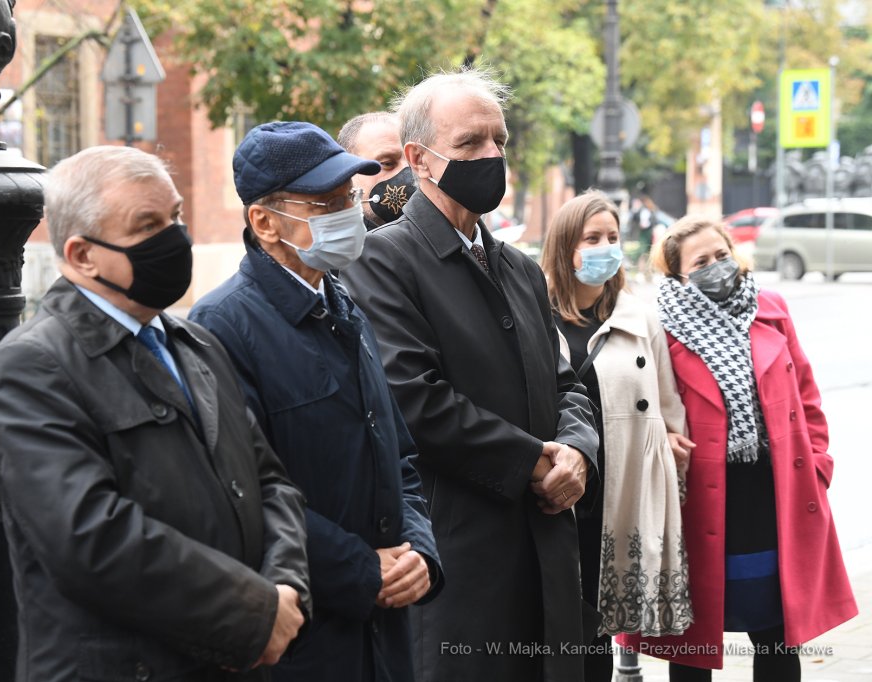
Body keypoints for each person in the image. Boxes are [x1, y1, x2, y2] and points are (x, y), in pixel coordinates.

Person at [0, 146, 311, 681]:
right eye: (148, 225)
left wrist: (284, 593)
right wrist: (250, 612)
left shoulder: (195, 344)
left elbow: (271, 483)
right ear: (83, 255)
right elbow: (90, 539)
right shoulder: (34, 365)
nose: (174, 238)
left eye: (175, 216)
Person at [340, 66, 599, 681]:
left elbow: (567, 385)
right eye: (468, 144)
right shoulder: (380, 261)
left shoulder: (520, 269)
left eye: (499, 141)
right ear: (418, 159)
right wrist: (539, 463)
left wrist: (580, 454)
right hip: (467, 565)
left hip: (550, 559)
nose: (490, 155)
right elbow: (416, 402)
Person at [190, 121, 442, 682]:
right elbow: (241, 494)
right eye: (325, 204)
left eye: (347, 198)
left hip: (385, 632)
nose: (348, 214)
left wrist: (419, 552)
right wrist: (360, 571)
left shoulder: (343, 302)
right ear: (265, 222)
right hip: (304, 641)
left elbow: (398, 454)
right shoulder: (221, 326)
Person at [619, 215, 858, 681]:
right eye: (701, 261)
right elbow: (641, 407)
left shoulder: (771, 307)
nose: (717, 267)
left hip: (773, 498)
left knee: (777, 633)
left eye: (722, 255)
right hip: (699, 503)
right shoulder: (659, 328)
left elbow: (806, 395)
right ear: (678, 275)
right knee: (691, 644)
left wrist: (819, 466)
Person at [541, 191, 695, 681]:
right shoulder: (530, 313)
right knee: (553, 621)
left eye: (613, 237)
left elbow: (667, 403)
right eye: (592, 238)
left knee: (599, 625)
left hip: (620, 487)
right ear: (566, 246)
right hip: (556, 489)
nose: (607, 247)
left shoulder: (638, 316)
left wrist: (673, 441)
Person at [337, 112, 419, 230]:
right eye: (387, 163)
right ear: (348, 172)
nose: (409, 174)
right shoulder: (333, 244)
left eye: (413, 162)